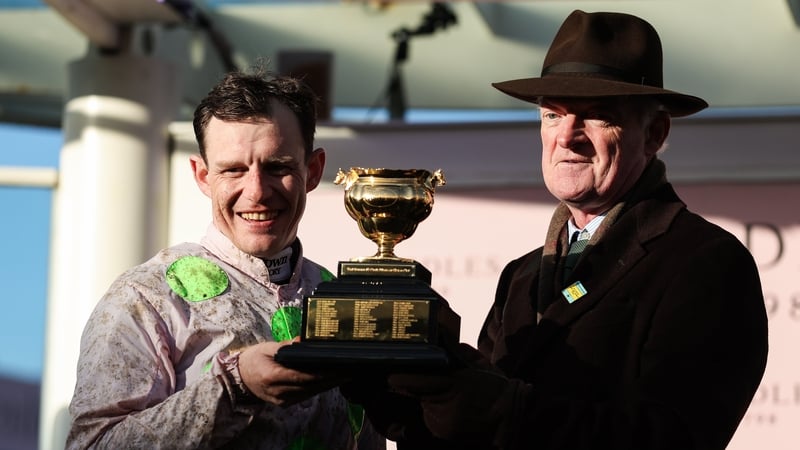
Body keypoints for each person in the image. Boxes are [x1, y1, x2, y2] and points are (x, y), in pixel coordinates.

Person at [345, 9, 769, 450]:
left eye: (597, 115)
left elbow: (671, 438)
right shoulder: (521, 276)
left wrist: (500, 406)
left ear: (654, 133)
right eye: (552, 115)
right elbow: (471, 436)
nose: (567, 136)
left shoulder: (706, 264)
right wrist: (401, 394)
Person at [66, 69, 385, 449]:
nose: (257, 192)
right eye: (234, 169)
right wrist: (235, 386)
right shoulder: (146, 295)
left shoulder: (342, 299)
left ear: (312, 170)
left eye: (278, 167)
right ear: (202, 176)